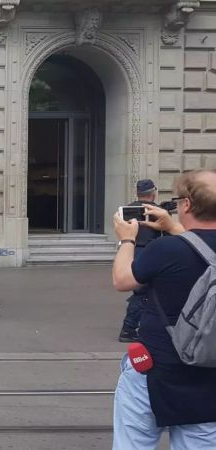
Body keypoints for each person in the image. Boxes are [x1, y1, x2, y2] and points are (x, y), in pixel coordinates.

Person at [111, 169, 216, 448]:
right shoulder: (175, 242)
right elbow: (206, 251)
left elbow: (122, 280)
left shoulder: (167, 250)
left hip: (156, 371)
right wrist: (172, 226)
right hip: (209, 380)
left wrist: (127, 240)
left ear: (187, 205)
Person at [118, 179, 165, 343]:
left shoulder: (127, 209)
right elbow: (167, 235)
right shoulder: (159, 211)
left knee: (142, 290)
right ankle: (128, 329)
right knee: (142, 292)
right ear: (153, 192)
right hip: (150, 252)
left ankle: (141, 324)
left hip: (131, 250)